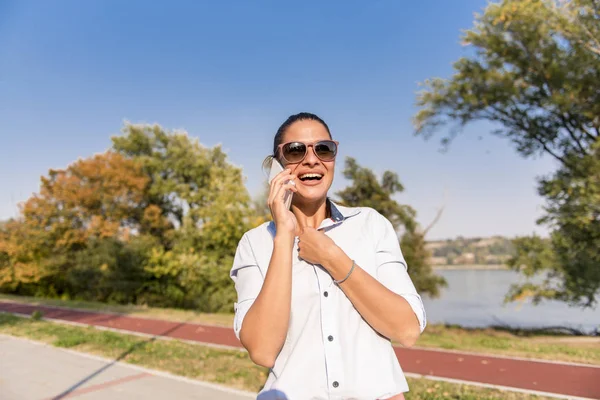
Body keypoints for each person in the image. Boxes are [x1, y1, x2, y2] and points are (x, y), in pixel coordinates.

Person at [230, 112, 426, 400]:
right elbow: (262, 350)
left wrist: (332, 256)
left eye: (323, 148)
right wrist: (284, 235)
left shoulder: (372, 226)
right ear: (277, 166)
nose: (312, 159)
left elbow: (407, 330)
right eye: (296, 150)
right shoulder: (255, 243)